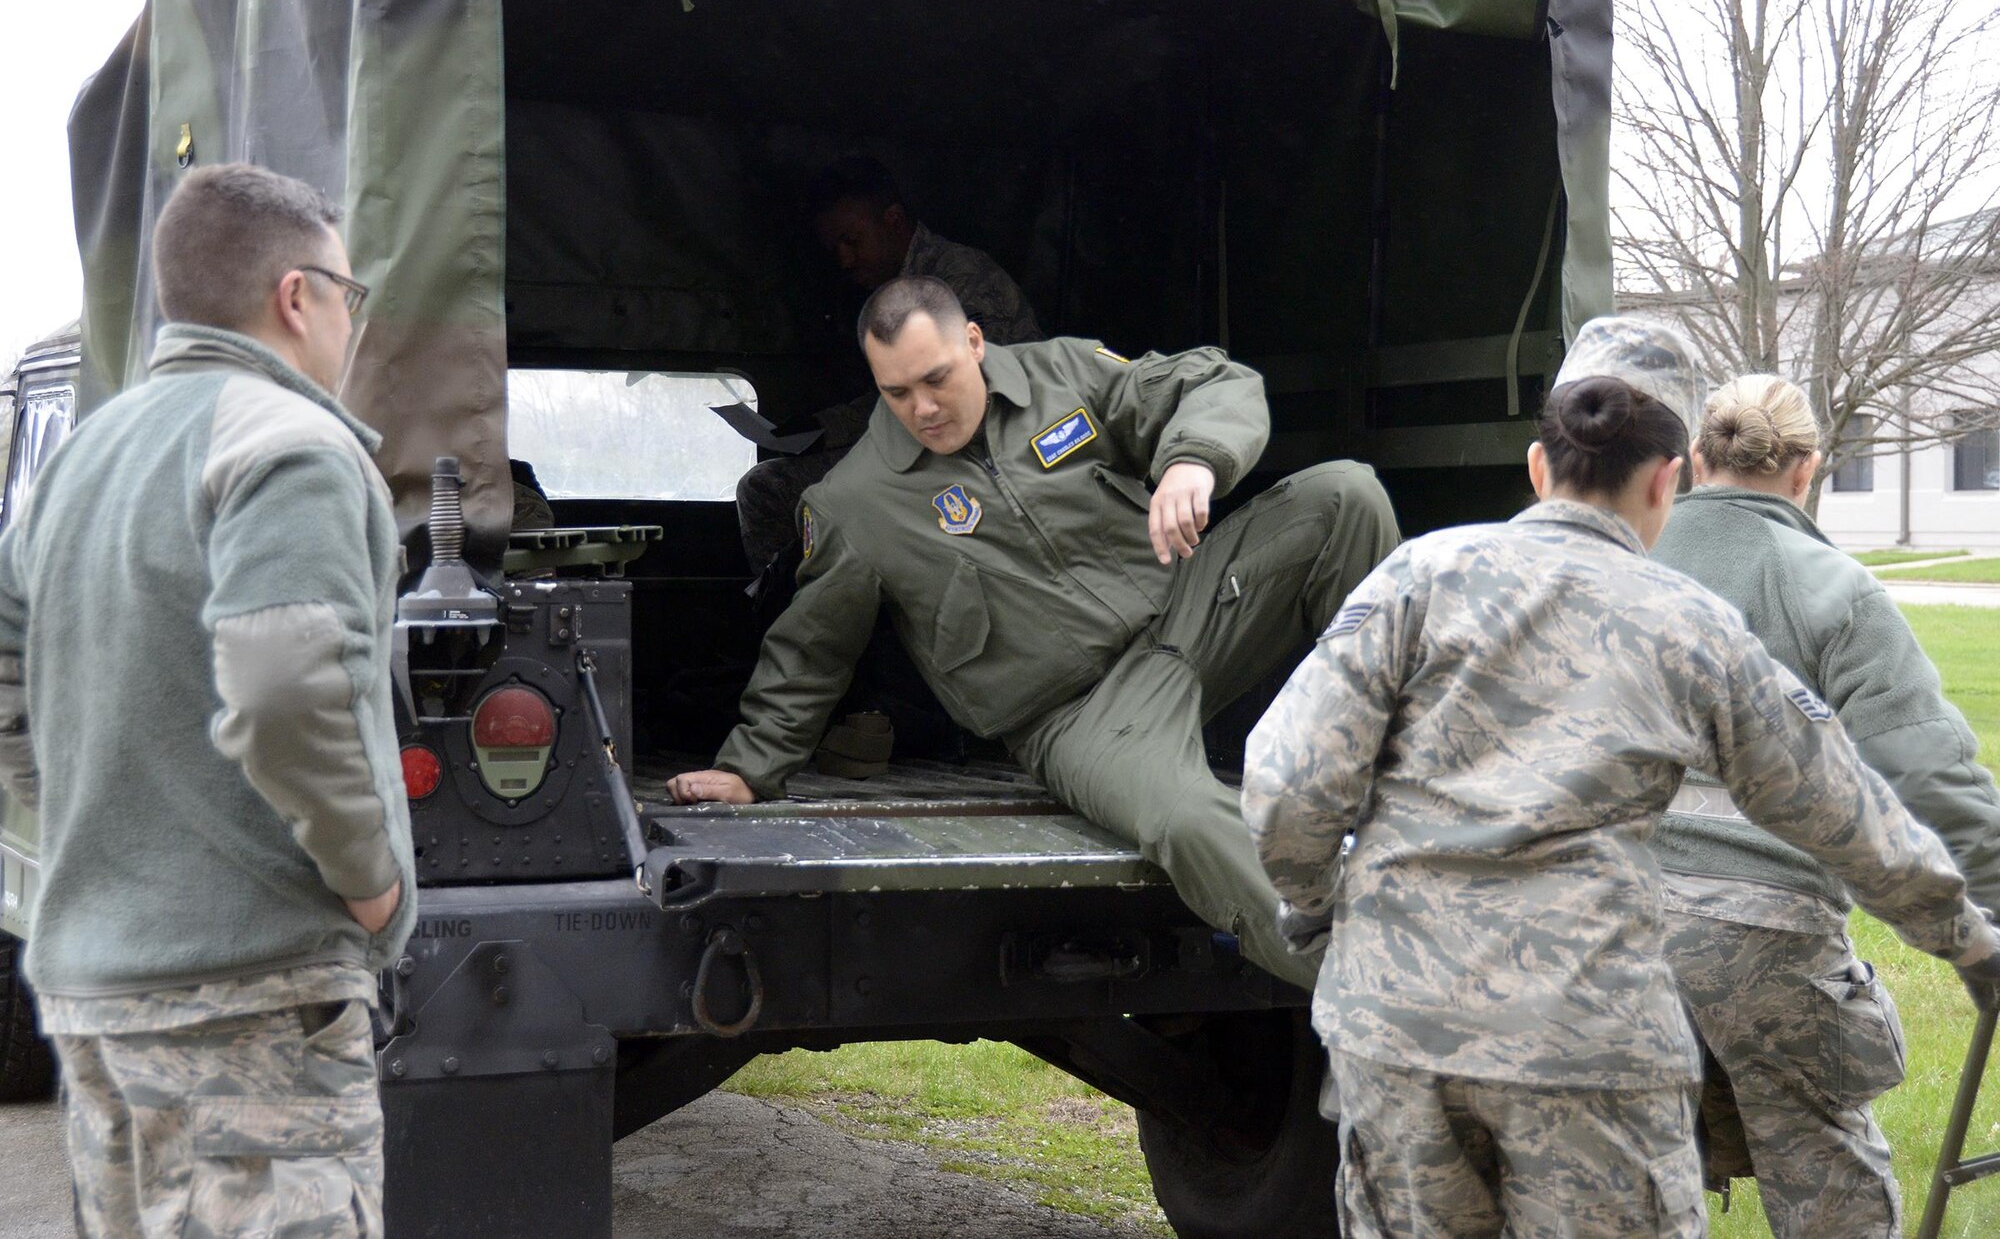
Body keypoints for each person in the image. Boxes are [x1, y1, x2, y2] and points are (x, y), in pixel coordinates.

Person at [1240, 316, 2000, 1239]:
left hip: (1393, 1033)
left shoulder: (1416, 576)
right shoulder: (1692, 625)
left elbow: (1286, 782)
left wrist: (1318, 904)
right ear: (1666, 478)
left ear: (1536, 464)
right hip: (1585, 1047)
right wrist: (1967, 939)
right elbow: (1847, 812)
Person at [671, 276, 1398, 988]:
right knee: (1185, 820)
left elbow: (1212, 382)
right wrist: (751, 766)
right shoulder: (855, 504)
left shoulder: (1062, 373)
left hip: (1193, 609)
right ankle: (1383, 986)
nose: (922, 407)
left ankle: (1396, 776)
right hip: (1081, 714)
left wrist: (1191, 462)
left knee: (1345, 496)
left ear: (976, 344)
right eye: (897, 392)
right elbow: (810, 648)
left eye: (937, 377)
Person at [0, 163, 417, 1238]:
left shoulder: (81, 458)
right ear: (296, 296)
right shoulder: (291, 444)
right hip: (254, 990)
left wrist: (71, 816)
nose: (346, 322)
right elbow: (283, 682)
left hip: (94, 990)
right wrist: (370, 879)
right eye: (345, 293)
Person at [1647, 374, 2000, 1234]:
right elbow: (1925, 772)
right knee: (1829, 1188)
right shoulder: (1833, 587)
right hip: (1764, 935)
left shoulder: (1622, 563)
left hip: (1604, 924)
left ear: (1695, 460)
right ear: (1807, 468)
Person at [735, 156, 1045, 574]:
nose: (844, 260)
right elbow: (902, 400)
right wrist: (823, 428)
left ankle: (807, 619)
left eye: (852, 240)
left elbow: (978, 403)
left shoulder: (961, 280)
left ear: (893, 220)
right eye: (835, 249)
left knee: (768, 489)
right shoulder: (900, 289)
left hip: (982, 464)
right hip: (932, 452)